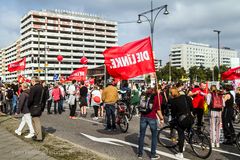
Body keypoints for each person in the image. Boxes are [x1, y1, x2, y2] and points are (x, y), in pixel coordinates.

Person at [138, 86, 164, 160]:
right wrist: (161, 118)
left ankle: (140, 154)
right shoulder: (159, 97)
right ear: (158, 89)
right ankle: (153, 154)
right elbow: (158, 109)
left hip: (143, 116)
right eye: (160, 89)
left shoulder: (146, 94)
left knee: (142, 135)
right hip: (152, 117)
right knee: (154, 136)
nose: (161, 91)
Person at [169, 87, 194, 159]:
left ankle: (180, 152)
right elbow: (192, 107)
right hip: (190, 117)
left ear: (172, 94)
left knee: (181, 134)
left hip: (183, 120)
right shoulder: (186, 97)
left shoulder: (173, 101)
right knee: (188, 130)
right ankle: (187, 139)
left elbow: (173, 114)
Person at [28, 76, 44, 141]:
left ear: (33, 81)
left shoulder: (33, 88)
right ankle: (36, 135)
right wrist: (42, 107)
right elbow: (45, 98)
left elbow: (30, 99)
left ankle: (39, 137)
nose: (31, 83)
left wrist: (28, 105)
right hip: (40, 106)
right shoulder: (43, 88)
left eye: (31, 81)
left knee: (36, 121)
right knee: (34, 121)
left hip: (34, 106)